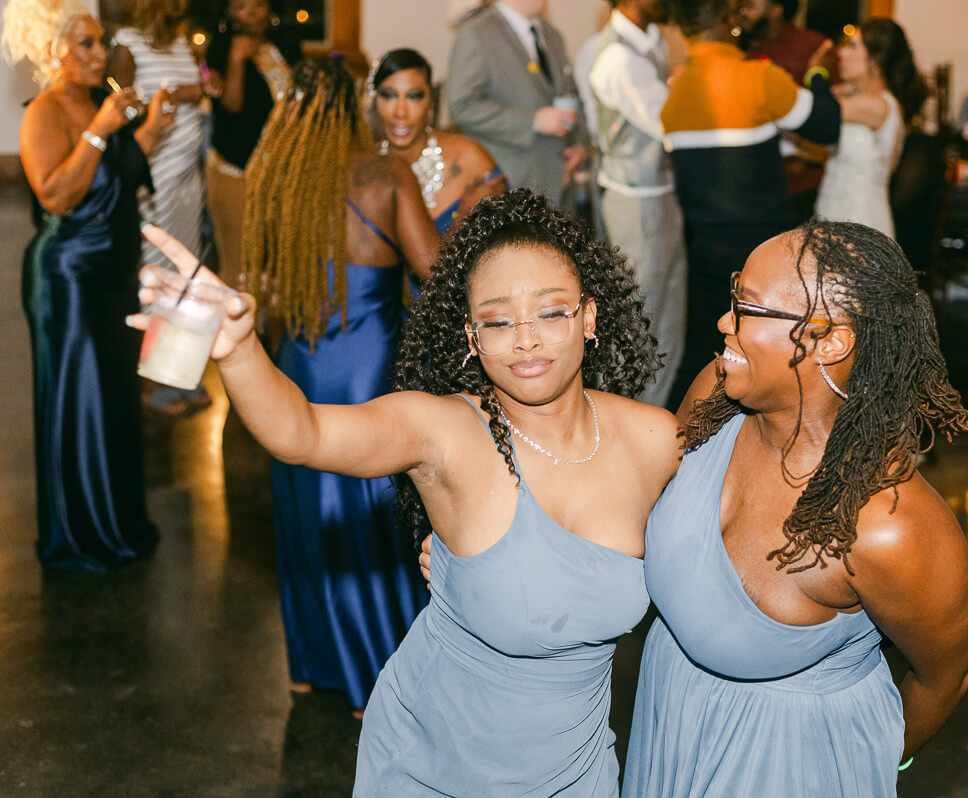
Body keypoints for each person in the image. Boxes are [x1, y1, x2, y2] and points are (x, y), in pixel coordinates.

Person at [130, 189, 677, 795]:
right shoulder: (443, 432)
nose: (526, 340)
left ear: (590, 316)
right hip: (436, 764)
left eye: (551, 312)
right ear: (471, 337)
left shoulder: (652, 440)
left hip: (576, 769)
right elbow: (303, 432)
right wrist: (237, 346)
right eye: (497, 321)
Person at [624, 220, 968, 796]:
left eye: (747, 307)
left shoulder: (887, 525)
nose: (723, 322)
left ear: (832, 340)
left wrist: (863, 762)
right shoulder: (716, 394)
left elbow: (948, 675)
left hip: (788, 757)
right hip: (669, 708)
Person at [239, 56, 440, 714]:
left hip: (297, 358)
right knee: (367, 512)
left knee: (305, 508)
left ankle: (311, 663)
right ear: (356, 103)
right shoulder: (384, 175)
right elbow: (435, 273)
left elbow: (265, 281)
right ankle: (375, 673)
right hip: (367, 365)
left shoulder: (275, 175)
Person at [2, 0, 172, 570]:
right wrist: (100, 132)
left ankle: (117, 523)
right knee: (81, 404)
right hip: (68, 279)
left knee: (118, 403)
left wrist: (149, 131)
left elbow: (118, 177)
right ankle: (81, 538)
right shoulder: (43, 112)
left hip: (114, 274)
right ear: (53, 51)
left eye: (101, 42)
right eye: (86, 45)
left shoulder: (100, 99)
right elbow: (57, 194)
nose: (102, 55)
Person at [661, 0, 841, 409]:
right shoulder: (759, 78)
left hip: (707, 252)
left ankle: (674, 451)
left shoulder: (674, 94)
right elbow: (828, 125)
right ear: (730, 18)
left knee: (702, 361)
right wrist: (817, 73)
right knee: (781, 361)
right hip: (767, 256)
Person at [110, 0, 212, 416]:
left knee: (183, 276)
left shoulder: (183, 42)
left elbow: (202, 90)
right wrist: (177, 93)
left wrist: (196, 89)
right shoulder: (126, 43)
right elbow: (120, 106)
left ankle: (177, 374)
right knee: (155, 275)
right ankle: (151, 383)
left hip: (188, 176)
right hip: (153, 178)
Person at [590, 0, 686, 406]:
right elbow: (670, 120)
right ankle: (626, 422)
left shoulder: (653, 43)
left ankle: (656, 418)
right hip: (636, 202)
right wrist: (685, 85)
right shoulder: (616, 56)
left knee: (670, 323)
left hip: (663, 194)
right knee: (637, 326)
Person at [445, 0, 588, 210]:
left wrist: (578, 145)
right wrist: (533, 121)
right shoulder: (476, 33)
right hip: (513, 186)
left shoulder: (551, 34)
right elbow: (461, 106)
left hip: (561, 184)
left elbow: (572, 94)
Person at [204, 0, 300, 278]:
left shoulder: (286, 45)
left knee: (278, 269)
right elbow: (231, 106)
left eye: (257, 4)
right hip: (236, 169)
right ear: (229, 12)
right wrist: (236, 58)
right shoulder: (220, 47)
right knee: (239, 267)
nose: (252, 12)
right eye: (241, 6)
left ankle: (269, 323)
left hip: (281, 172)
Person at [366, 48, 506, 236]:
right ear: (374, 101)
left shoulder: (469, 159)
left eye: (413, 96)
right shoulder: (364, 166)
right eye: (389, 96)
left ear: (431, 100)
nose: (400, 112)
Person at [814, 18, 925, 238]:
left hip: (861, 224)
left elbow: (818, 112)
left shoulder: (878, 105)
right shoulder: (856, 97)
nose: (842, 53)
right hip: (829, 215)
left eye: (853, 46)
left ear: (877, 58)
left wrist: (816, 72)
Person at [745, 0, 837, 223]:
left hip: (802, 190)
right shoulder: (742, 49)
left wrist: (806, 157)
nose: (743, 7)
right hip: (755, 188)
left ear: (776, 9)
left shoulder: (813, 46)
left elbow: (833, 112)